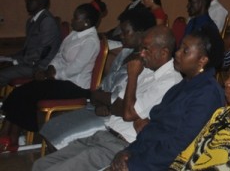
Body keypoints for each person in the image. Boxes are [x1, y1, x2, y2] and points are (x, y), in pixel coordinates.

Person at [31, 26, 182, 170]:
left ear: (163, 53)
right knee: (40, 165)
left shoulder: (170, 81)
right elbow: (117, 106)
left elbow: (128, 113)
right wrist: (127, 108)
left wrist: (132, 76)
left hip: (121, 145)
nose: (141, 54)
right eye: (141, 48)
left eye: (146, 49)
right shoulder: (147, 70)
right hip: (104, 134)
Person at [39, 8, 156, 151]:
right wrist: (99, 98)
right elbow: (104, 86)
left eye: (126, 32)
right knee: (51, 127)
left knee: (61, 138)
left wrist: (103, 100)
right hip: (99, 107)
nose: (121, 36)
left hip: (113, 118)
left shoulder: (147, 63)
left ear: (142, 33)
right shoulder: (125, 53)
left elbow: (129, 100)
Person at [108, 29, 226, 170]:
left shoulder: (207, 95)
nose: (177, 53)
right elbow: (153, 128)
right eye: (180, 47)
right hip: (144, 155)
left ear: (202, 60)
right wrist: (128, 151)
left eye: (185, 51)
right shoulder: (184, 85)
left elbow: (178, 147)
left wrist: (133, 165)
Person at [0, 2, 102, 152]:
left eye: (76, 18)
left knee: (27, 92)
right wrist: (50, 68)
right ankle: (11, 134)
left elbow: (75, 69)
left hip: (76, 86)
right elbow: (59, 55)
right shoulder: (75, 34)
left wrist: (52, 75)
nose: (72, 21)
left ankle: (9, 134)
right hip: (60, 80)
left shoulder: (91, 41)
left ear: (86, 23)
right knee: (23, 91)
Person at [0, 0, 61, 89]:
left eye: (29, 0)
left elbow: (43, 52)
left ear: (39, 2)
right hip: (30, 63)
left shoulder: (47, 21)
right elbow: (27, 50)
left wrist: (15, 62)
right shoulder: (31, 21)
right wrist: (9, 58)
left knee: (1, 75)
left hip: (39, 67)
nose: (26, 2)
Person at [184, 0, 224, 69]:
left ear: (201, 3)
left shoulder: (209, 28)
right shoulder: (192, 22)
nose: (188, 6)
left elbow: (215, 58)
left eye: (191, 2)